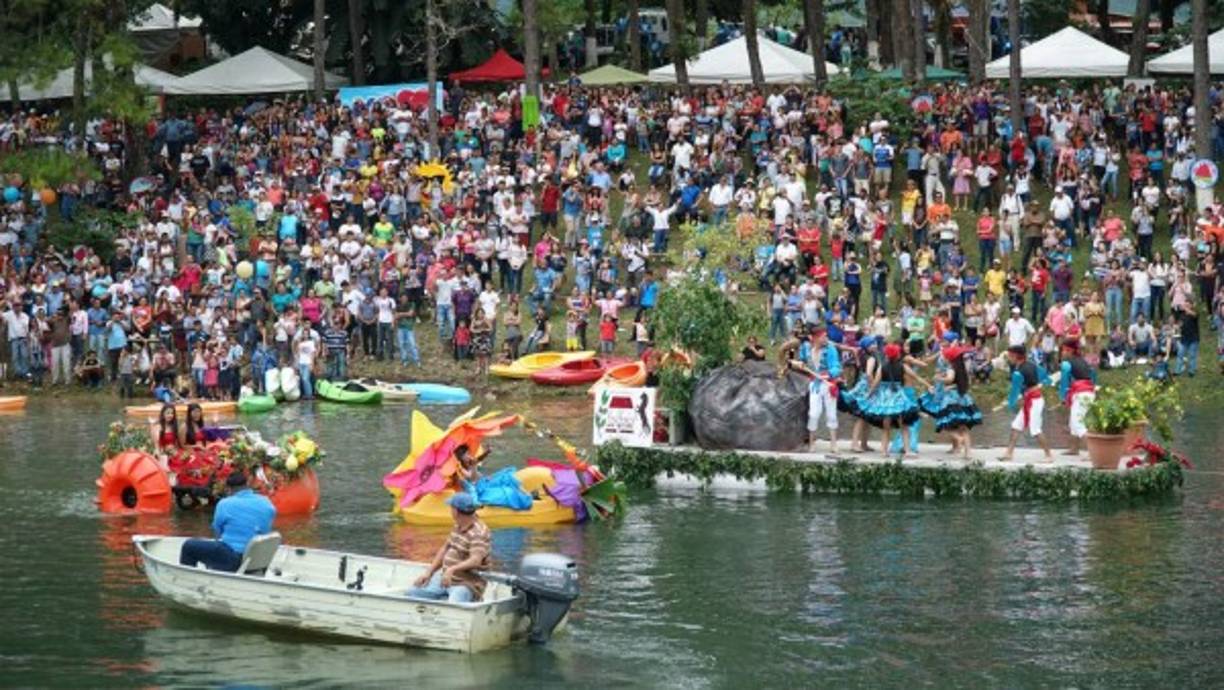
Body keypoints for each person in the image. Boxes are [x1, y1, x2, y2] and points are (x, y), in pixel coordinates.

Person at [179, 471, 277, 572]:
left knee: (189, 546)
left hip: (234, 558)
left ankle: (186, 580)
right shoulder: (266, 502)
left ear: (229, 489)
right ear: (247, 484)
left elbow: (217, 533)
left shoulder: (225, 503)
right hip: (257, 558)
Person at [405, 492, 491, 603]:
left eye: (451, 508)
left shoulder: (478, 533)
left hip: (466, 583)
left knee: (452, 606)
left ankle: (469, 599)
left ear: (456, 511)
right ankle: (442, 597)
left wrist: (452, 569)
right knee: (412, 594)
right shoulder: (458, 525)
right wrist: (429, 573)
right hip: (446, 578)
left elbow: (475, 560)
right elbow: (445, 548)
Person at [859, 343, 928, 459]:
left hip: (885, 397)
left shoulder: (882, 367)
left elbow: (875, 383)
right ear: (897, 354)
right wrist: (928, 385)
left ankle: (884, 452)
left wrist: (868, 395)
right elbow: (915, 376)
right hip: (898, 395)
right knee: (904, 426)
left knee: (886, 427)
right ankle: (907, 451)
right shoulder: (903, 366)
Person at [919, 344, 982, 459]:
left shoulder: (951, 368)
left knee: (945, 423)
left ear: (950, 358)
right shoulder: (962, 368)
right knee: (963, 427)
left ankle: (959, 439)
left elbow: (950, 378)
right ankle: (967, 452)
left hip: (951, 399)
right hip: (962, 398)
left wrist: (940, 379)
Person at [1000, 345, 1053, 462]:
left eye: (1010, 355)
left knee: (1035, 429)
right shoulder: (1032, 365)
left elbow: (1015, 391)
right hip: (1032, 399)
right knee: (1016, 426)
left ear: (1015, 356)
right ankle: (1009, 453)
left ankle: (1049, 455)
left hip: (1034, 401)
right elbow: (1047, 379)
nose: (1009, 358)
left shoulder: (1018, 372)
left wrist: (1010, 403)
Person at [793, 327, 842, 453]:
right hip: (814, 384)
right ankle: (811, 443)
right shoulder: (806, 349)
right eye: (823, 336)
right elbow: (801, 362)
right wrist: (799, 364)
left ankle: (834, 444)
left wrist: (829, 374)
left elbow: (837, 367)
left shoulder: (830, 349)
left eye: (826, 336)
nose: (826, 339)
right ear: (815, 338)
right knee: (814, 413)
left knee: (831, 414)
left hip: (829, 384)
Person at [1056, 337, 1097, 456]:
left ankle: (1093, 452)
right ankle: (1074, 449)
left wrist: (1063, 397)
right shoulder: (1083, 360)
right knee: (1072, 422)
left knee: (1077, 424)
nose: (1062, 353)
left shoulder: (1066, 364)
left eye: (1063, 351)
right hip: (1088, 392)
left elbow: (1064, 382)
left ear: (1069, 351)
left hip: (1081, 394)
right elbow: (1093, 375)